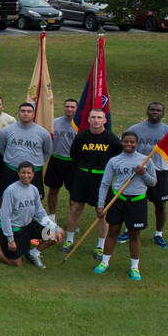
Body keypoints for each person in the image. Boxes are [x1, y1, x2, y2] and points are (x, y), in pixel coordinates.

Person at [0, 162, 65, 267]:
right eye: (23, 173)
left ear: (33, 174)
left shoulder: (34, 190)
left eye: (29, 173)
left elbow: (40, 212)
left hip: (27, 228)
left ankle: (33, 253)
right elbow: (5, 217)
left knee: (57, 233)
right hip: (13, 230)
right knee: (16, 263)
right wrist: (10, 240)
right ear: (18, 173)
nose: (26, 175)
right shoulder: (11, 191)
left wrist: (55, 228)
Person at [93, 131, 157, 281]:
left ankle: (134, 267)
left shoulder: (145, 160)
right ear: (121, 142)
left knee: (134, 234)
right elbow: (105, 184)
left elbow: (153, 182)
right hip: (118, 199)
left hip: (137, 201)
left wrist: (143, 173)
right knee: (113, 231)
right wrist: (101, 205)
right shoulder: (114, 161)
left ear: (137, 143)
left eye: (132, 142)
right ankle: (105, 262)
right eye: (126, 142)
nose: (129, 145)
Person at [63, 108, 120, 260]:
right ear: (88, 119)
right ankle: (69, 240)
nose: (96, 120)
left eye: (99, 117)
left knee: (102, 213)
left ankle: (100, 246)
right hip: (82, 177)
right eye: (93, 117)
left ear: (105, 120)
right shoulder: (81, 136)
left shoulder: (111, 139)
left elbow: (118, 158)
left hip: (101, 180)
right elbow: (74, 155)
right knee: (75, 208)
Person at [126, 102, 168, 248]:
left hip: (160, 172)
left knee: (160, 204)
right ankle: (129, 230)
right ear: (147, 111)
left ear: (163, 113)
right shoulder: (134, 129)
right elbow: (126, 148)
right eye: (152, 110)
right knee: (133, 203)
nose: (155, 112)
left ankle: (158, 234)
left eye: (158, 110)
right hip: (138, 172)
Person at [44, 99, 79, 219]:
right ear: (64, 108)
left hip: (72, 162)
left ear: (77, 109)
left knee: (74, 192)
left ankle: (73, 218)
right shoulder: (55, 123)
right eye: (67, 106)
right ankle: (52, 216)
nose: (69, 109)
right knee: (53, 189)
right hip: (56, 160)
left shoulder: (80, 125)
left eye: (72, 107)